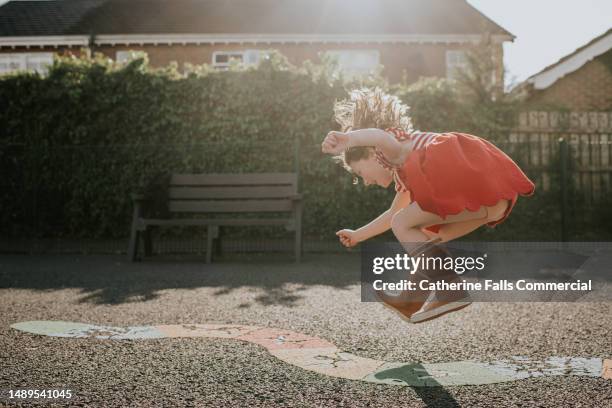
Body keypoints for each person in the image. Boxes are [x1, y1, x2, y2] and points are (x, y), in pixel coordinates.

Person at [321, 88, 535, 323]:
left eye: (360, 173)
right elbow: (393, 213)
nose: (366, 182)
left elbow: (379, 137)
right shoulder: (408, 171)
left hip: (471, 183)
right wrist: (358, 235)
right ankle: (410, 299)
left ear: (372, 154)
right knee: (424, 235)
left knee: (404, 224)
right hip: (490, 201)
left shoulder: (394, 149)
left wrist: (348, 139)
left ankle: (450, 289)